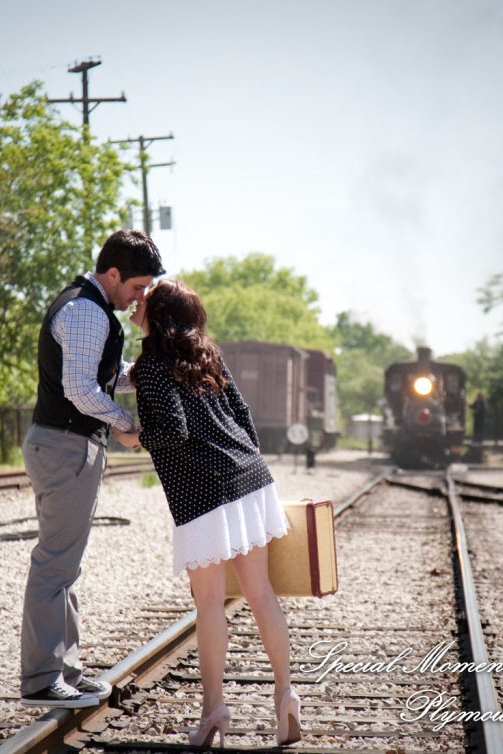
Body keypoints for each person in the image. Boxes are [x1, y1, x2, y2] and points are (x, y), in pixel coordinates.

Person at [128, 280, 302, 747]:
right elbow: (243, 415)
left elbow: (174, 431)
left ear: (157, 315)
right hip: (251, 478)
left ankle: (213, 712)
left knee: (208, 604)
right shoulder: (207, 354)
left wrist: (135, 438)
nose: (135, 303)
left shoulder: (153, 367)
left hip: (204, 493)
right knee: (260, 592)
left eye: (143, 301)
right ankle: (286, 697)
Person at [18, 230, 164, 708]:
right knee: (55, 564)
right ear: (114, 274)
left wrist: (149, 371)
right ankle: (42, 679)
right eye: (139, 286)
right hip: (65, 445)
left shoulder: (92, 309)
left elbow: (105, 375)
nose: (141, 297)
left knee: (66, 564)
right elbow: (82, 389)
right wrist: (125, 425)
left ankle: (66, 669)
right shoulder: (85, 310)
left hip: (69, 445)